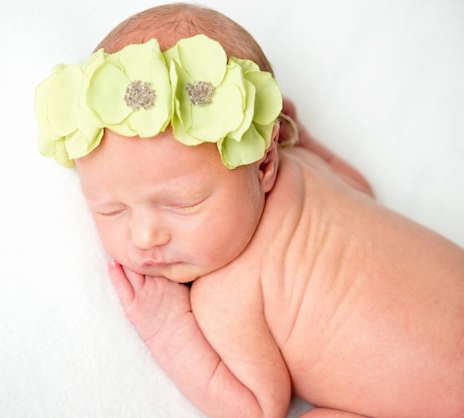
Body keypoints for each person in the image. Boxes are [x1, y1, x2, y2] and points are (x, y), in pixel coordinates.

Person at [34, 3, 464, 417]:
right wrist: (308, 142)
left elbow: (260, 409)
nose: (145, 236)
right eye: (111, 210)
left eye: (184, 203)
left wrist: (167, 328)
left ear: (264, 165)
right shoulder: (303, 168)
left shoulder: (225, 296)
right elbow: (360, 190)